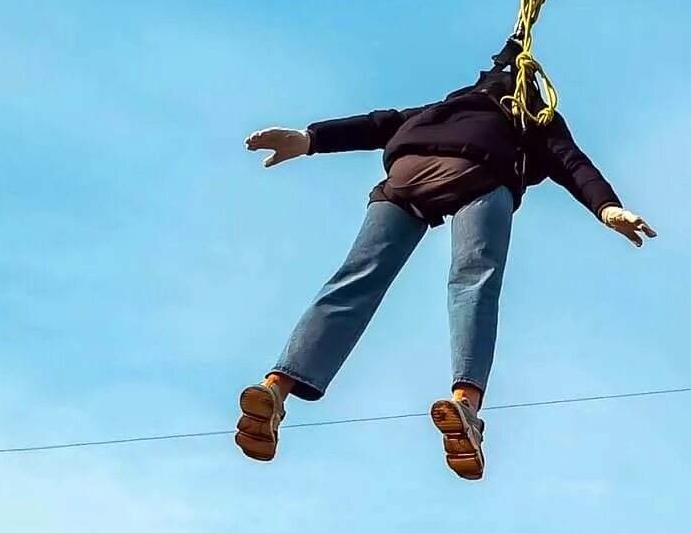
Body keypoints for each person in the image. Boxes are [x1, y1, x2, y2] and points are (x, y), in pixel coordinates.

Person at [236, 39, 653, 480]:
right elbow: (573, 163)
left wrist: (310, 139)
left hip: (407, 168)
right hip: (479, 171)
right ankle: (466, 406)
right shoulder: (533, 117)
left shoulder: (449, 104)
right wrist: (607, 207)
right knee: (474, 281)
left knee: (354, 281)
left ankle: (275, 388)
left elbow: (382, 123)